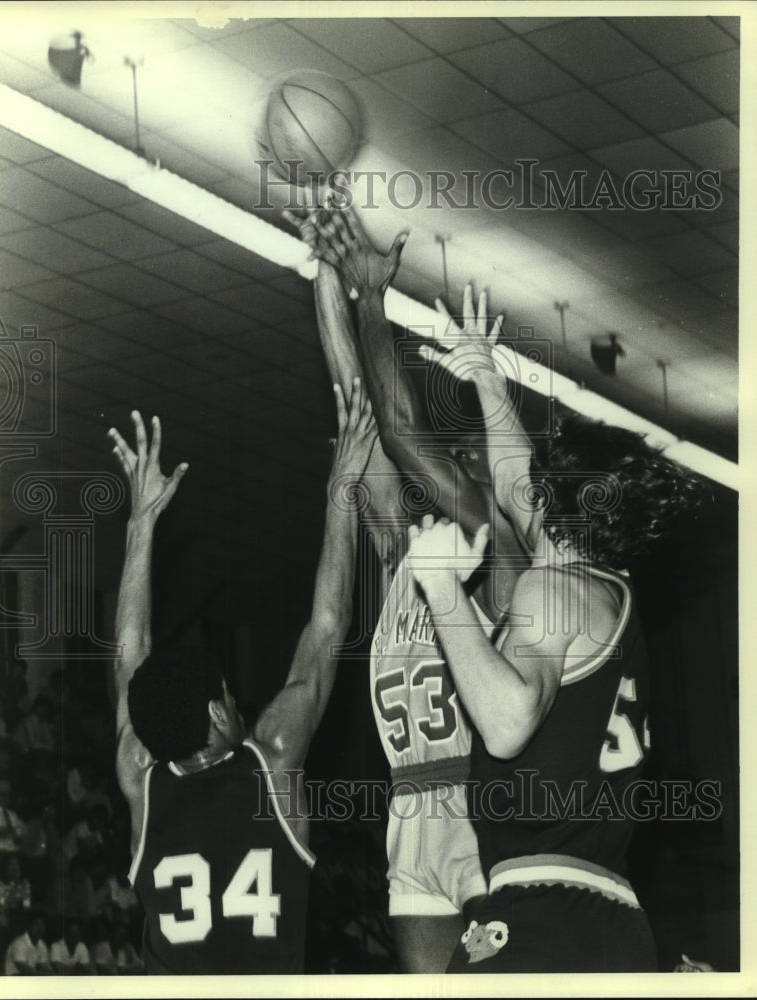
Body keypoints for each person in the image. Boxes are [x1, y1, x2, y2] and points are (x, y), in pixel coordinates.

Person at [404, 318, 704, 971]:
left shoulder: (552, 591)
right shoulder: (606, 592)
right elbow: (516, 482)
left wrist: (442, 590)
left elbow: (507, 725)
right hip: (614, 921)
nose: (523, 485)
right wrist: (485, 376)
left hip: (542, 918)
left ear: (550, 501)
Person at [285, 201, 532, 971]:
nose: (447, 464)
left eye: (456, 457)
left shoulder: (500, 549)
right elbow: (359, 411)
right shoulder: (407, 555)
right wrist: (326, 278)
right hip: (409, 817)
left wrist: (369, 300)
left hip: (479, 812)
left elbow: (395, 429)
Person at [108, 384, 376, 974]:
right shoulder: (272, 762)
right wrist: (344, 488)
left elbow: (130, 664)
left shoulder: (140, 783)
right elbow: (327, 629)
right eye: (228, 694)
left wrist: (141, 525)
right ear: (214, 712)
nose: (238, 702)